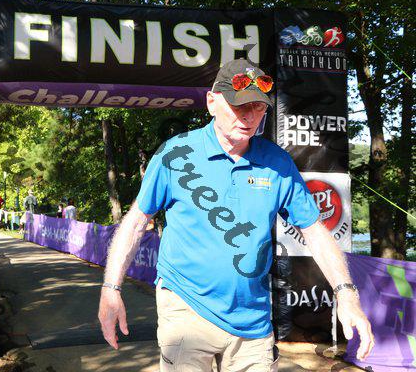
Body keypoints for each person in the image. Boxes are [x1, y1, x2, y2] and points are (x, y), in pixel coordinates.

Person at [98, 59, 374, 371]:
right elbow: (136, 222)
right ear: (211, 102)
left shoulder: (278, 164)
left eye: (258, 107)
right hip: (186, 308)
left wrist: (347, 295)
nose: (249, 116)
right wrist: (111, 289)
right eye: (238, 105)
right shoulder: (175, 154)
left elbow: (314, 231)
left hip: (253, 320)